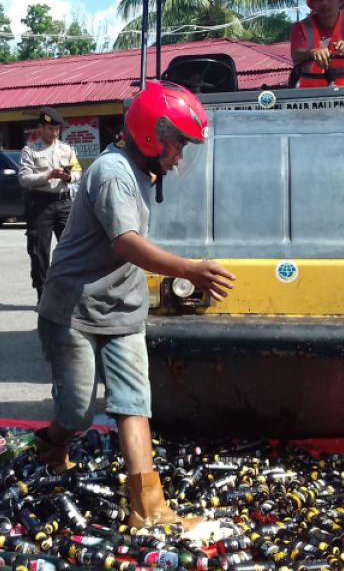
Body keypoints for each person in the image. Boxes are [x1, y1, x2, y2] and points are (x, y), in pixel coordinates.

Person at [35, 81, 236, 528]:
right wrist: (189, 270)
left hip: (123, 308)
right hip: (74, 309)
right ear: (151, 136)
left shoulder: (143, 173)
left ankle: (148, 507)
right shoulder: (112, 172)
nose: (180, 157)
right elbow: (126, 243)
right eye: (177, 146)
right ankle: (50, 445)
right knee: (77, 412)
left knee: (133, 402)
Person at [19, 107, 81, 305]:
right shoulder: (30, 151)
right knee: (39, 252)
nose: (54, 133)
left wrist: (70, 176)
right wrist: (48, 175)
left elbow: (79, 171)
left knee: (72, 248)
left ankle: (70, 291)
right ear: (40, 128)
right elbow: (24, 179)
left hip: (64, 202)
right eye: (49, 129)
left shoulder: (67, 149)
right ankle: (42, 294)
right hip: (41, 204)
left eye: (56, 129)